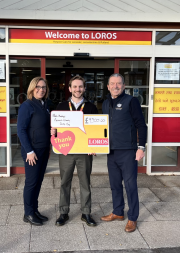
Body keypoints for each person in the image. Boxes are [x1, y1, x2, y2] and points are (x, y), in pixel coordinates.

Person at [100, 73, 147, 233]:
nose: (115, 86)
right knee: (114, 185)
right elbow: (102, 128)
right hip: (111, 151)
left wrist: (141, 148)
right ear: (108, 86)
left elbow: (142, 125)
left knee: (130, 185)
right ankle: (118, 212)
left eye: (118, 83)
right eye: (112, 83)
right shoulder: (106, 104)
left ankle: (132, 218)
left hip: (128, 151)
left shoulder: (131, 101)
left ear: (124, 86)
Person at [51, 75, 99, 227]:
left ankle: (86, 213)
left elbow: (96, 130)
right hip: (66, 151)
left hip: (85, 152)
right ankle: (63, 213)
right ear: (70, 88)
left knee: (85, 182)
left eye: (80, 86)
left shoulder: (91, 107)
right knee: (65, 182)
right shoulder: (61, 107)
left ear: (84, 88)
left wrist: (95, 147)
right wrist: (54, 132)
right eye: (75, 87)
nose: (78, 89)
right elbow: (57, 130)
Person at [17, 77, 51, 226]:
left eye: (43, 87)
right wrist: (29, 151)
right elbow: (21, 130)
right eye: (38, 87)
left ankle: (34, 210)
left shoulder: (46, 105)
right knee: (31, 182)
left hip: (44, 149)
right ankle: (28, 213)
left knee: (38, 181)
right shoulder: (27, 105)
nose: (41, 89)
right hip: (32, 151)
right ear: (32, 88)